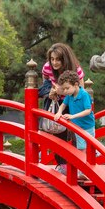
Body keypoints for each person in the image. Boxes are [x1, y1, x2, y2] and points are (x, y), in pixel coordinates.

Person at [38, 43, 84, 174]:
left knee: (76, 135)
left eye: (58, 59)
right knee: (58, 134)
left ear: (65, 59)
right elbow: (46, 83)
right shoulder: (47, 68)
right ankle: (62, 165)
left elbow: (81, 91)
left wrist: (62, 92)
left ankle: (79, 165)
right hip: (58, 104)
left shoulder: (76, 69)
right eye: (52, 59)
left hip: (74, 103)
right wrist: (51, 92)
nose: (54, 62)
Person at [54, 70, 95, 179]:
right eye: (64, 89)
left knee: (88, 148)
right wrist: (58, 112)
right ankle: (83, 171)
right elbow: (63, 105)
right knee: (81, 148)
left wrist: (73, 116)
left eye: (67, 88)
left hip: (87, 125)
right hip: (77, 126)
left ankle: (86, 170)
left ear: (76, 85)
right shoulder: (70, 95)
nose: (65, 91)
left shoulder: (84, 94)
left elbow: (88, 110)